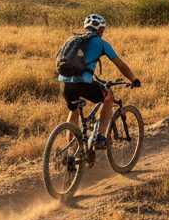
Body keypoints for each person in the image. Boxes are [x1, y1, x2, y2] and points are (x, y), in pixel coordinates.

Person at [59, 13, 140, 149]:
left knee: (74, 111)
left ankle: (70, 152)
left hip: (65, 82)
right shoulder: (101, 43)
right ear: (100, 29)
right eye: (103, 29)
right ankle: (101, 137)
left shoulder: (72, 39)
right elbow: (120, 65)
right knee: (108, 96)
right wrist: (133, 79)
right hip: (83, 83)